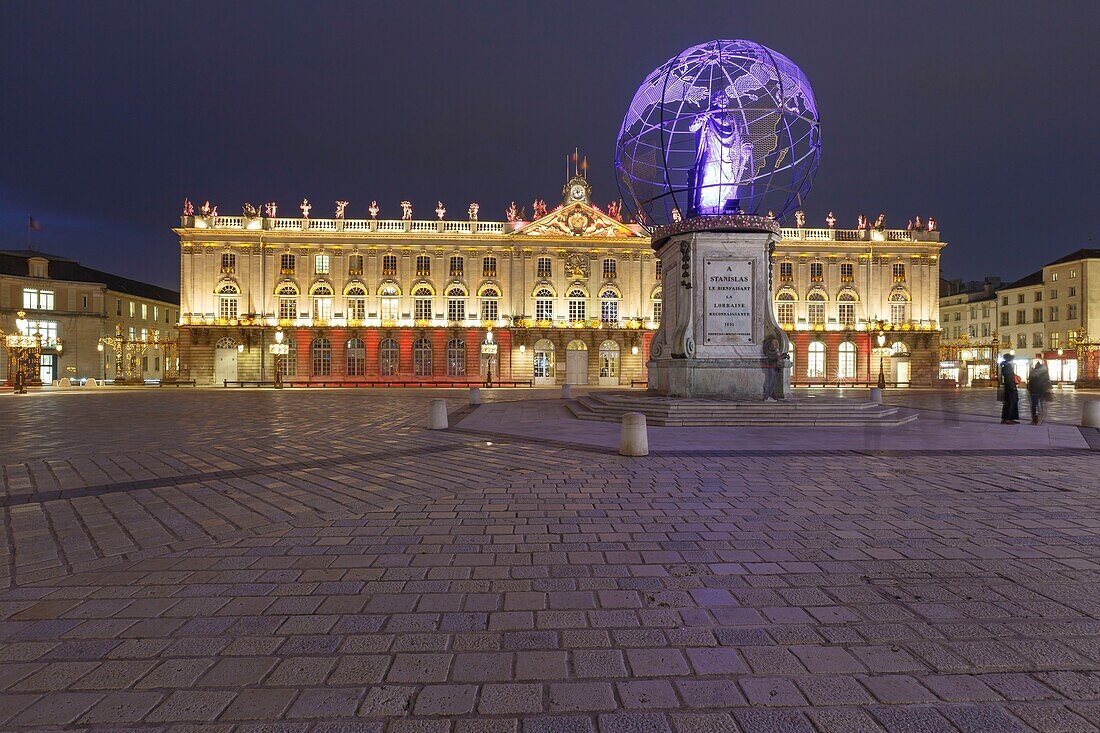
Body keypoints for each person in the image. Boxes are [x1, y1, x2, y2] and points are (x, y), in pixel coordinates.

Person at [1027, 359, 1053, 424]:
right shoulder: (1044, 373)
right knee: (1041, 405)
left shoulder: (1032, 372)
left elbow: (1030, 382)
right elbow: (1047, 382)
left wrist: (1029, 389)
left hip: (1033, 391)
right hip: (1041, 391)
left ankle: (1034, 419)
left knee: (1034, 406)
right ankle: (1041, 419)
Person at [1000, 353, 1020, 424]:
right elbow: (1008, 378)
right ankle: (1007, 419)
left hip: (1010, 387)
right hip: (1010, 388)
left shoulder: (1007, 366)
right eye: (1012, 360)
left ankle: (1010, 418)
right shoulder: (1007, 367)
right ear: (1009, 360)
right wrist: (1012, 387)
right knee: (1009, 403)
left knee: (1012, 403)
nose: (1013, 361)